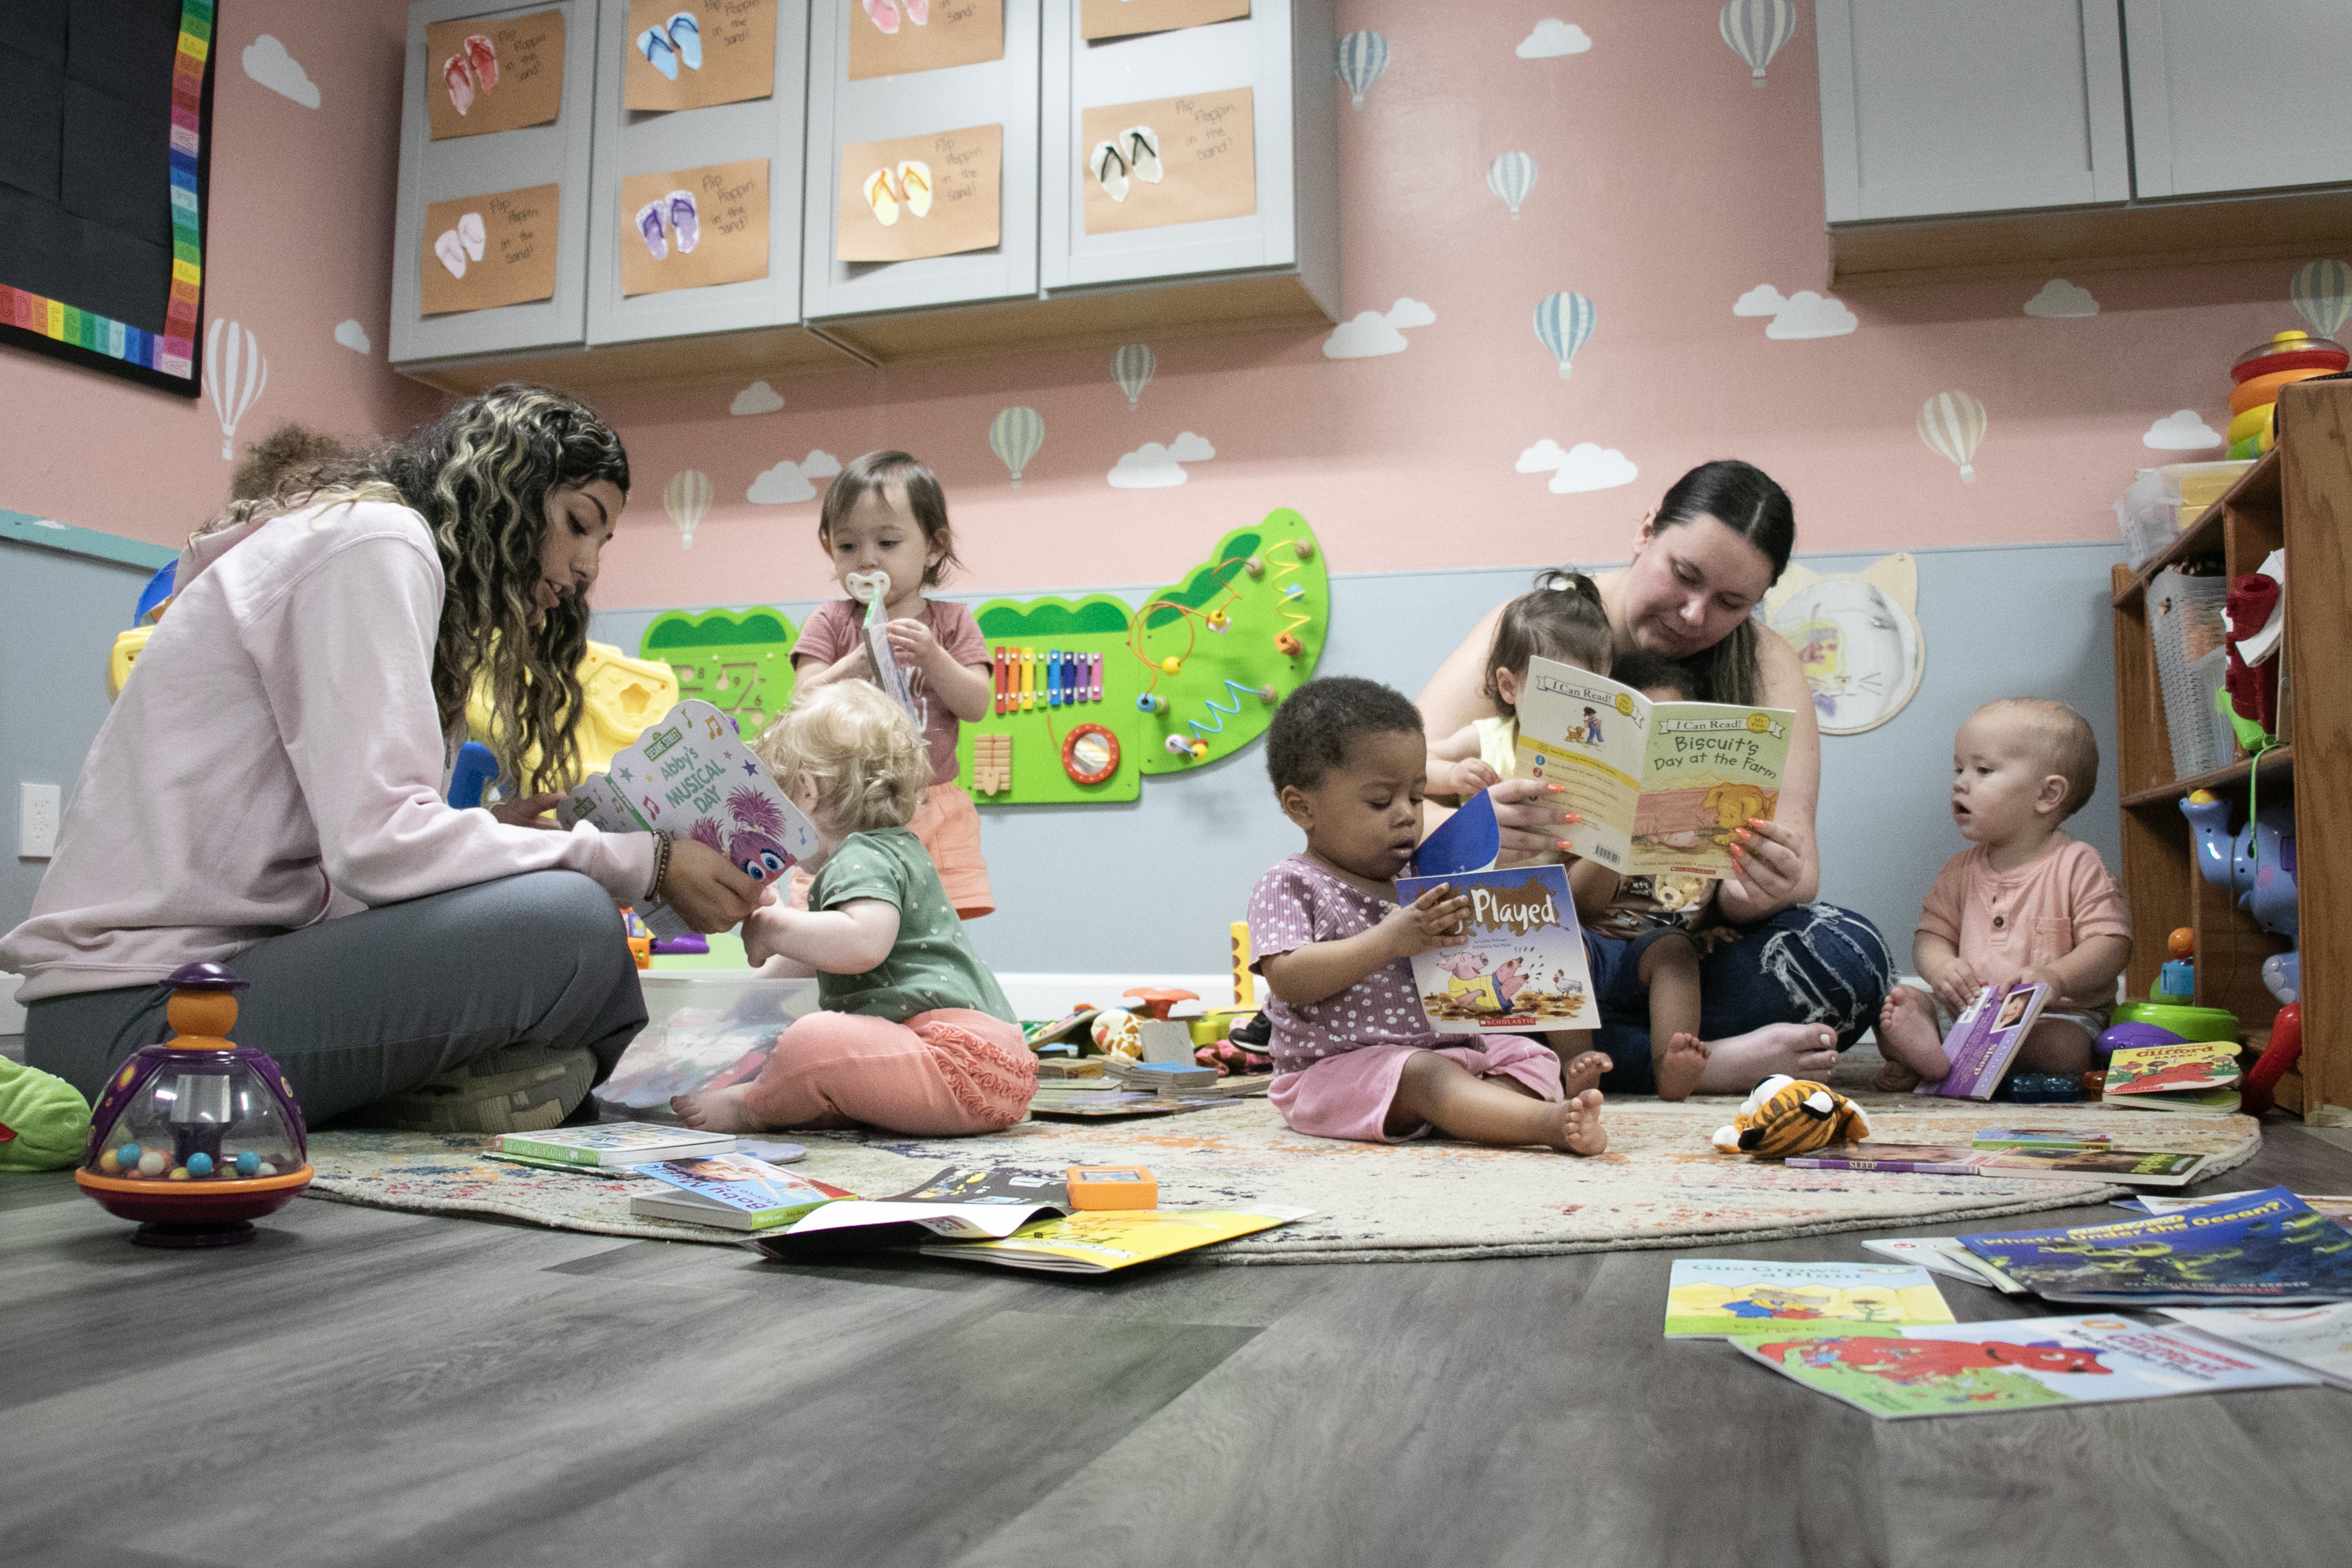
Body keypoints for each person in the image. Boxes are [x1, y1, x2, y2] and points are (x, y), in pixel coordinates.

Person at [2, 386, 767, 1129]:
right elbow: (380, 848)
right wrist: (648, 862)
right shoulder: (377, 542)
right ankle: (552, 1100)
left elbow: (355, 856)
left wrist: (498, 838)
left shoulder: (370, 550)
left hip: (185, 998)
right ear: (508, 487)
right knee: (572, 920)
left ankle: (465, 1086)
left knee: (556, 909)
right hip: (142, 1024)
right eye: (578, 523)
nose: (586, 570)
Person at [1418, 460, 1890, 1094]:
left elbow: (1800, 865)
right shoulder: (1535, 628)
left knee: (1848, 955)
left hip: (1673, 959)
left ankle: (1548, 1052)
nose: (1695, 615)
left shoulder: (1767, 662)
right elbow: (1390, 797)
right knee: (1410, 951)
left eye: (1731, 603)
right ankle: (1680, 1061)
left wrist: (1757, 889)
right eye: (1684, 576)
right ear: (1647, 529)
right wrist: (1479, 830)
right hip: (1522, 939)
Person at [1427, 595, 1830, 1100]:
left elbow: (1690, 904)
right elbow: (1413, 763)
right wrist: (1452, 780)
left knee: (1679, 951)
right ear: (1511, 687)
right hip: (1542, 934)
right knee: (1552, 945)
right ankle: (1579, 1064)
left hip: (1630, 946)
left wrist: (1741, 895)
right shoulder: (1493, 740)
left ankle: (1672, 1064)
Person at [1244, 677, 1608, 1154]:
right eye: (1380, 802)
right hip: (1332, 1073)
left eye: (1416, 797)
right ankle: (1543, 1124)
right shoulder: (1292, 883)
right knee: (1423, 1075)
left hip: (1444, 1048)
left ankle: (1479, 1111)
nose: (1406, 816)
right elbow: (1289, 979)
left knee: (1526, 1054)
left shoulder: (1426, 871)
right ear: (1301, 807)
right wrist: (1388, 940)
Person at [671, 683, 1033, 1136]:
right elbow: (812, 953)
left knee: (812, 1039)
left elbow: (862, 944)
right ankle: (809, 1101)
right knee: (815, 1043)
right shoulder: (896, 850)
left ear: (804, 793)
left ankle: (754, 1109)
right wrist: (740, 1008)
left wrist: (772, 924)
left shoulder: (861, 857)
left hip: (956, 1065)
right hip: (987, 1073)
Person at [1874, 699, 2130, 1088]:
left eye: (1983, 770)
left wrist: (2055, 977)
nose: (1961, 782)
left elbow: (2112, 945)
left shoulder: (2078, 863)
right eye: (1958, 769)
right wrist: (1942, 969)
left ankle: (1938, 1058)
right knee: (1893, 1005)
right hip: (1968, 1010)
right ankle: (1937, 1047)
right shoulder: (1959, 869)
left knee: (2064, 1050)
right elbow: (1931, 936)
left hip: (2054, 1015)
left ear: (2047, 795)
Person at [788, 451, 997, 918]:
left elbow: (977, 703)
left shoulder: (952, 623)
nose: (866, 560)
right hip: (841, 811)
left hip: (932, 802)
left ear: (934, 547)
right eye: (846, 547)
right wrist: (859, 661)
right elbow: (801, 701)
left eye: (886, 542)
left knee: (934, 925)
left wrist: (933, 657)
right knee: (830, 923)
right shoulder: (830, 621)